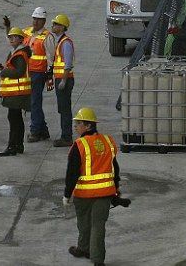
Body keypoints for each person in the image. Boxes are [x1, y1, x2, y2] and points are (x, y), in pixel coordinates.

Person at [64, 108, 120, 266]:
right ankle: (95, 257)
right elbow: (114, 166)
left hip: (84, 195)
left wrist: (67, 194)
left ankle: (87, 251)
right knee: (98, 225)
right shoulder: (108, 141)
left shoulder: (79, 145)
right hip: (104, 193)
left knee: (84, 222)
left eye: (79, 123)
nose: (76, 126)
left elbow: (72, 172)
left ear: (88, 126)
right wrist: (116, 188)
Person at [0, 27, 31, 156]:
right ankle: (18, 145)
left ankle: (12, 147)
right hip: (16, 93)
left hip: (17, 93)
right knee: (16, 119)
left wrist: (4, 72)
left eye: (14, 37)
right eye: (10, 37)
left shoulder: (20, 54)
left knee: (13, 119)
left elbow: (19, 71)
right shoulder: (16, 52)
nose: (11, 39)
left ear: (21, 39)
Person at [23, 7, 56, 142]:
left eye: (39, 20)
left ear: (44, 21)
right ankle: (43, 130)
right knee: (34, 101)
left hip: (39, 73)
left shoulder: (48, 37)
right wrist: (8, 27)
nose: (36, 22)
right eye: (34, 19)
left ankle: (35, 131)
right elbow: (14, 40)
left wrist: (49, 75)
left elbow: (51, 56)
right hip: (28, 72)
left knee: (35, 102)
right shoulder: (27, 32)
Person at [51, 14, 75, 147]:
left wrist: (64, 81)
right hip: (60, 79)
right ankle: (65, 135)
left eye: (55, 24)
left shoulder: (65, 43)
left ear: (61, 27)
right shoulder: (60, 41)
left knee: (65, 109)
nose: (53, 26)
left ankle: (66, 137)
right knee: (62, 108)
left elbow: (68, 64)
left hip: (64, 80)